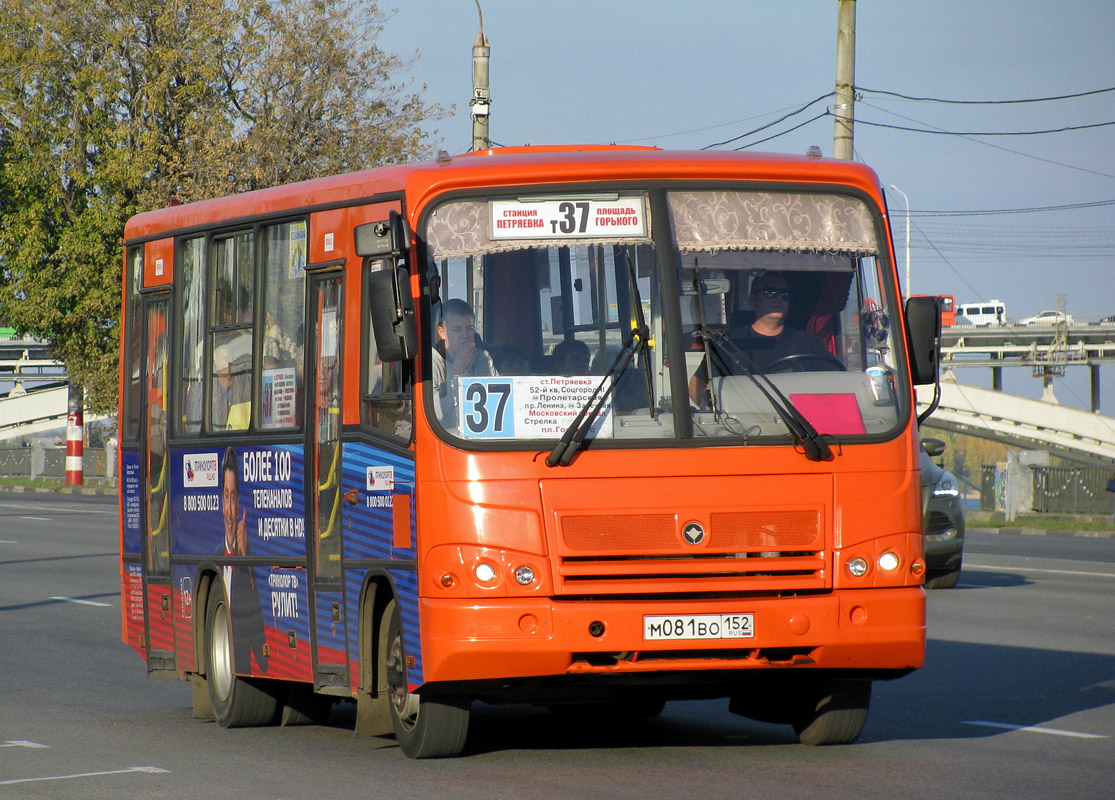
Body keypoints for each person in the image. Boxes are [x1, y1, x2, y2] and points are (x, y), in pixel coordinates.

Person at [689, 271, 834, 405]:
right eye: (770, 292)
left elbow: (833, 385)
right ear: (753, 299)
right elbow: (697, 385)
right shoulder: (729, 342)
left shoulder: (811, 344)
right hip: (747, 426)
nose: (778, 298)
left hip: (800, 426)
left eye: (784, 294)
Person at [219, 446, 268, 673]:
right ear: (222, 502)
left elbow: (263, 655)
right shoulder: (213, 559)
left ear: (239, 505)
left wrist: (247, 561)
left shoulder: (250, 559)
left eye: (234, 498)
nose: (230, 509)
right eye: (226, 498)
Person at [431, 298, 495, 424]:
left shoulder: (483, 358)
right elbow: (436, 416)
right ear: (442, 333)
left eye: (470, 328)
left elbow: (495, 398)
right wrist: (456, 373)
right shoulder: (430, 362)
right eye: (457, 329)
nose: (465, 335)